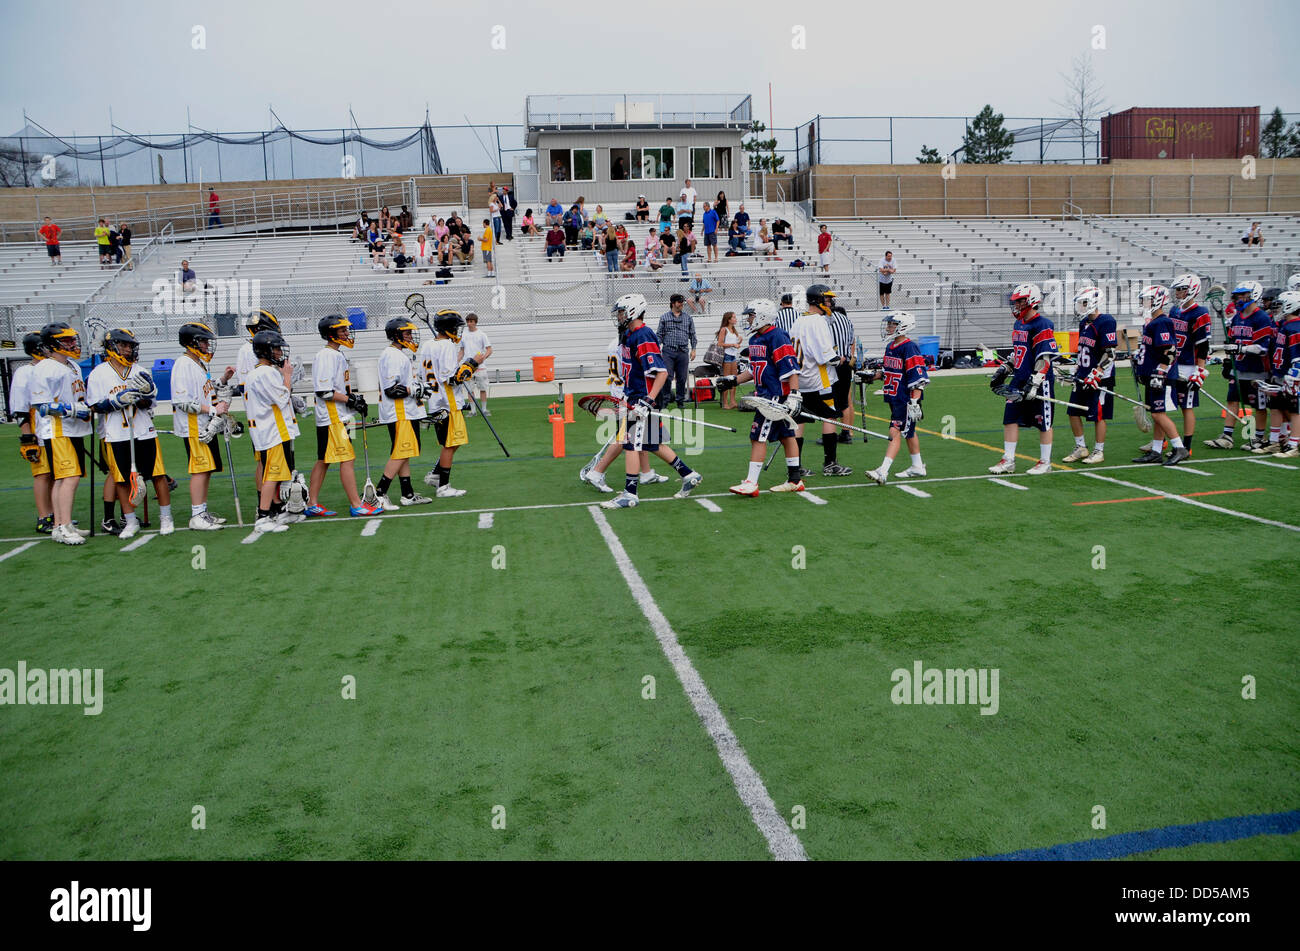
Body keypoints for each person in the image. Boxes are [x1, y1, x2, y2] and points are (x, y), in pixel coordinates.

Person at [600, 294, 703, 509]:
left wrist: (647, 400)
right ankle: (689, 475)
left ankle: (630, 493)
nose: (618, 316)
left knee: (630, 444)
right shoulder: (628, 334)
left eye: (621, 312)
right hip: (634, 397)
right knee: (653, 445)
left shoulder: (644, 335)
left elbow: (662, 373)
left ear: (632, 311)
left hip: (642, 401)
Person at [85, 327, 173, 540]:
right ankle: (130, 520)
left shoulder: (139, 370)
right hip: (116, 433)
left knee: (157, 475)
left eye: (130, 346)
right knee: (122, 479)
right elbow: (94, 406)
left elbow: (151, 402)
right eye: (123, 345)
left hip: (143, 430)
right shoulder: (99, 373)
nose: (127, 350)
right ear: (112, 347)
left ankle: (166, 518)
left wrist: (140, 397)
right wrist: (116, 401)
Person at [714, 300, 806, 496]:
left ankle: (751, 483)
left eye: (752, 315)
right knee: (785, 435)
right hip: (766, 394)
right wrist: (733, 381)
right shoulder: (756, 338)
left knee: (757, 437)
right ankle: (795, 479)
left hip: (774, 396)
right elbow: (754, 369)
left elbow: (791, 367)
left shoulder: (777, 336)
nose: (749, 319)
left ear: (763, 316)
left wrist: (794, 395)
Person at [306, 315, 380, 518]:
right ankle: (356, 504)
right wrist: (349, 401)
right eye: (342, 330)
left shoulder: (336, 355)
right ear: (331, 333)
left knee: (324, 460)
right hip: (332, 417)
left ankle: (312, 502)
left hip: (339, 416)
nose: (347, 333)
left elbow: (336, 388)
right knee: (347, 459)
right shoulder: (327, 355)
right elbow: (324, 391)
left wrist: (353, 400)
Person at [28, 322, 92, 545]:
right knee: (69, 477)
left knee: (62, 478)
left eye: (72, 339)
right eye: (66, 340)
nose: (72, 344)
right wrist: (72, 409)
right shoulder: (45, 367)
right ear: (51, 345)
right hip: (57, 430)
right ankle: (64, 527)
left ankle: (59, 525)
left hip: (72, 429)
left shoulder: (71, 365)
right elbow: (41, 405)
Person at [171, 321, 236, 530]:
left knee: (206, 470)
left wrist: (222, 379)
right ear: (192, 342)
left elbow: (204, 390)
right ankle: (196, 515)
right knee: (200, 470)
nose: (208, 345)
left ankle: (202, 512)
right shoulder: (183, 364)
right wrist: (213, 410)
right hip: (194, 426)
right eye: (204, 342)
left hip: (205, 424)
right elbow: (181, 401)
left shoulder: (198, 363)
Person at [988, 283, 1057, 475]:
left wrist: (1034, 382)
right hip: (1018, 379)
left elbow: (1045, 359)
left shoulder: (1042, 324)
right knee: (1009, 418)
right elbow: (1019, 352)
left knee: (1043, 422)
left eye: (1020, 301)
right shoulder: (1019, 323)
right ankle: (1008, 460)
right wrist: (1005, 367)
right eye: (1016, 301)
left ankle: (1045, 462)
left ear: (1031, 301)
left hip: (1038, 382)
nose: (1017, 305)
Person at [245, 329, 304, 532]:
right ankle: (263, 516)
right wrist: (287, 376)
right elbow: (282, 397)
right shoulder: (266, 373)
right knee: (272, 475)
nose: (280, 353)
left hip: (266, 429)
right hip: (272, 431)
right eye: (276, 349)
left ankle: (277, 512)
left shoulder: (257, 372)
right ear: (266, 350)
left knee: (275, 473)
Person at [419, 310, 480, 497]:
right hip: (448, 402)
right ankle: (443, 486)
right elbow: (452, 378)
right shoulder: (446, 346)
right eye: (455, 327)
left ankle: (436, 475)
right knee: (449, 443)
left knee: (455, 441)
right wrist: (472, 364)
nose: (458, 331)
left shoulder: (428, 344)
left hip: (436, 400)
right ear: (449, 328)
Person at [864, 312, 930, 484]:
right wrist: (871, 376)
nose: (888, 328)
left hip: (906, 399)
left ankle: (883, 471)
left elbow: (919, 377)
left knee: (895, 431)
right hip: (894, 397)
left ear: (903, 326)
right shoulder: (891, 347)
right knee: (909, 432)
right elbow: (889, 372)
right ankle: (917, 466)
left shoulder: (909, 347)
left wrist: (915, 402)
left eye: (892, 324)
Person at [793, 285, 851, 477]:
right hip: (819, 379)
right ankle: (830, 463)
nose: (830, 302)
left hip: (800, 379)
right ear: (817, 300)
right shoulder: (818, 322)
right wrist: (842, 359)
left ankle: (795, 465)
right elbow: (827, 357)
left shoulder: (798, 320)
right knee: (830, 417)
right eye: (826, 299)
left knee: (799, 420)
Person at [375, 317, 432, 509]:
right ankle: (379, 493)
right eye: (406, 333)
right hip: (400, 412)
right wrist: (414, 390)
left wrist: (415, 388)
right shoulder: (392, 355)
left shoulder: (397, 354)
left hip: (406, 411)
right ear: (396, 335)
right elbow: (392, 389)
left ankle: (407, 494)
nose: (410, 336)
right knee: (400, 453)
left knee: (404, 452)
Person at [1130, 285, 1190, 466]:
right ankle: (1156, 451)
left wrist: (1160, 371)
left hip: (1161, 376)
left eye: (1147, 299)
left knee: (1158, 415)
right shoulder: (1152, 322)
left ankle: (1180, 448)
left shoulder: (1162, 322)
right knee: (1157, 413)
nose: (1144, 303)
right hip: (1153, 374)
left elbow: (1170, 351)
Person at [1057, 286, 1118, 465]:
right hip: (1083, 376)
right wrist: (1076, 368)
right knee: (1073, 412)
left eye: (1083, 303)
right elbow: (1084, 350)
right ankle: (1081, 447)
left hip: (1100, 378)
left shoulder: (1106, 321)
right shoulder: (1084, 323)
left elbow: (1110, 353)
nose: (1080, 307)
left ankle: (1099, 451)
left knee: (1098, 415)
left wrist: (1097, 372)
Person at [232, 309, 283, 494]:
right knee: (264, 460)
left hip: (268, 412)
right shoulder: (249, 350)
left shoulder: (254, 348)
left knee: (273, 460)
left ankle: (273, 501)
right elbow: (248, 386)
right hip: (264, 415)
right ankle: (264, 504)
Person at [9, 333, 54, 532]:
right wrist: (27, 437)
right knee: (42, 475)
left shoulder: (50, 368)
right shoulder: (24, 372)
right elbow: (20, 408)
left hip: (55, 428)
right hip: (39, 429)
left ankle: (54, 514)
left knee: (54, 474)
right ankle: (43, 516)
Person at [1167, 273, 1212, 450]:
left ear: (1191, 290)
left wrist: (1200, 371)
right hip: (1173, 362)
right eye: (1176, 289)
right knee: (1163, 404)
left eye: (1180, 289)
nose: (1177, 293)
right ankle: (1160, 442)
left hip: (1188, 365)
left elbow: (1203, 345)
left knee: (1186, 406)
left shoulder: (1200, 313)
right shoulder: (1174, 310)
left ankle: (1187, 445)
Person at [1267, 290, 1300, 457]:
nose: (1277, 309)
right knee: (1277, 406)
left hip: (1292, 374)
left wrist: (1295, 374)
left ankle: (1293, 444)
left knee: (1295, 410)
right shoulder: (1285, 325)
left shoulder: (1295, 328)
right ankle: (1276, 441)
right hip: (1280, 372)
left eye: (1280, 305)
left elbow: (1297, 355)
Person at [657, 293, 697, 408]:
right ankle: (665, 400)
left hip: (683, 351)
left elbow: (692, 335)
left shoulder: (688, 318)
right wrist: (655, 348)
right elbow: (659, 335)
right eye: (679, 302)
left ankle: (680, 401)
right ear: (673, 303)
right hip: (668, 351)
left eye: (682, 302)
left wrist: (693, 349)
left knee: (682, 377)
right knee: (667, 376)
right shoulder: (664, 317)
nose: (682, 304)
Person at [459, 313, 493, 416]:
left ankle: (484, 409)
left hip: (480, 367)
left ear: (475, 322)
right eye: (468, 321)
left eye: (471, 322)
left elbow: (489, 349)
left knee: (482, 388)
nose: (469, 324)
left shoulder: (482, 334)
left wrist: (483, 358)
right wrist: (456, 362)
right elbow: (461, 351)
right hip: (467, 367)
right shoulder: (463, 335)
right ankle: (473, 411)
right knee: (469, 390)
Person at [716, 312, 743, 410]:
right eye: (734, 317)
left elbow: (735, 343)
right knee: (726, 379)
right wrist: (732, 345)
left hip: (733, 355)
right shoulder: (724, 329)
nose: (736, 319)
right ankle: (725, 402)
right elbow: (720, 343)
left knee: (734, 379)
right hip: (727, 355)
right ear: (729, 319)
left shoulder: (734, 330)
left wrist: (739, 341)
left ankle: (732, 401)